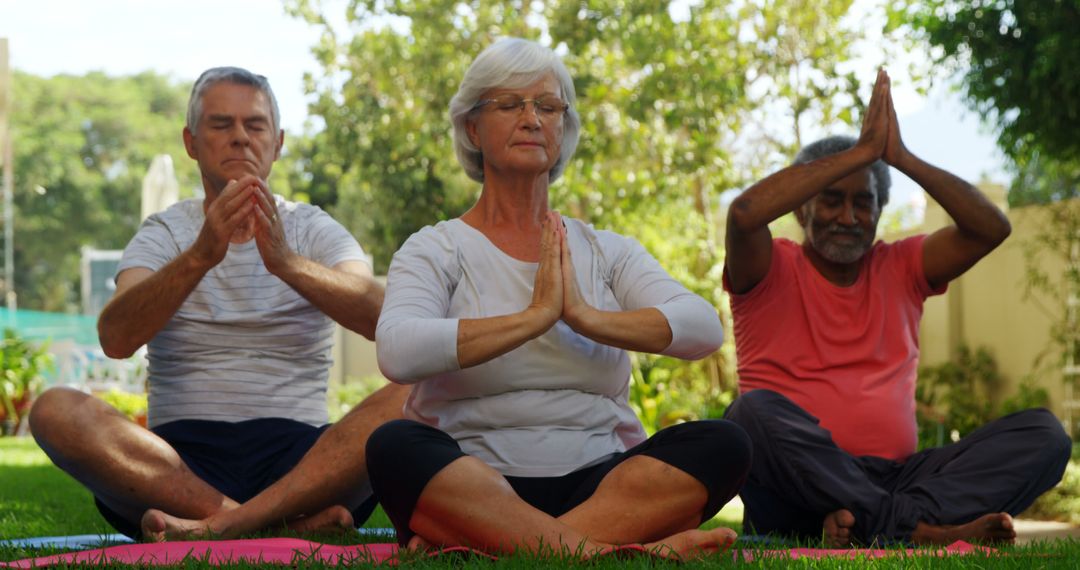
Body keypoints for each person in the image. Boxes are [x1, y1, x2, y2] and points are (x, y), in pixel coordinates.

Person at [368, 38, 751, 558]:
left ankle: (497, 545)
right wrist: (533, 318)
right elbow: (397, 350)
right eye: (510, 104)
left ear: (563, 128)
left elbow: (702, 328)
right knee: (393, 447)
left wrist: (585, 317)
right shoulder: (437, 247)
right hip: (475, 478)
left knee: (725, 443)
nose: (532, 119)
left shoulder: (604, 250)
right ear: (473, 129)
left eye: (547, 107)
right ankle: (600, 550)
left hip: (598, 481)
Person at [29, 67, 408, 541]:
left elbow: (387, 320)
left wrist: (287, 263)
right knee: (53, 410)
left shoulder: (312, 228)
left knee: (414, 395)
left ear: (278, 142)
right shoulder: (165, 232)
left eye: (255, 125)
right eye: (221, 124)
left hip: (302, 463)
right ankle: (263, 525)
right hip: (179, 466)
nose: (240, 139)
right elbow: (115, 338)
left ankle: (220, 528)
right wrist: (202, 255)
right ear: (191, 142)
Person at [722, 69, 1071, 546]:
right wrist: (861, 153)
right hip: (795, 483)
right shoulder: (767, 268)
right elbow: (743, 215)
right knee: (748, 415)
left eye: (863, 203)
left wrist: (900, 157)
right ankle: (915, 529)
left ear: (879, 212)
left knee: (1046, 435)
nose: (848, 217)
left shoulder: (901, 265)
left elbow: (991, 228)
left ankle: (875, 522)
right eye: (831, 201)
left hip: (901, 478)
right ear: (801, 209)